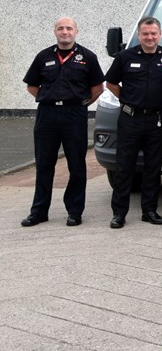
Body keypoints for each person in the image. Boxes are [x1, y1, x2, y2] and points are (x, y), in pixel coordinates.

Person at [21, 16, 104, 227]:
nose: (64, 32)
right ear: (55, 32)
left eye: (69, 28)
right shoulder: (43, 56)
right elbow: (32, 86)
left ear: (76, 31)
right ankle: (39, 211)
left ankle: (75, 211)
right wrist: (49, 98)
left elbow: (98, 89)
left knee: (76, 165)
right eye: (60, 28)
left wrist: (79, 104)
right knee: (44, 164)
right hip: (47, 115)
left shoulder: (88, 57)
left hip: (74, 115)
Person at [103, 16, 162, 228]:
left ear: (160, 34)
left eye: (153, 33)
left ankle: (149, 211)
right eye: (145, 33)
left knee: (153, 167)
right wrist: (127, 99)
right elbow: (110, 82)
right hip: (130, 118)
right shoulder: (125, 57)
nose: (149, 37)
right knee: (124, 167)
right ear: (139, 34)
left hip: (157, 119)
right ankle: (119, 213)